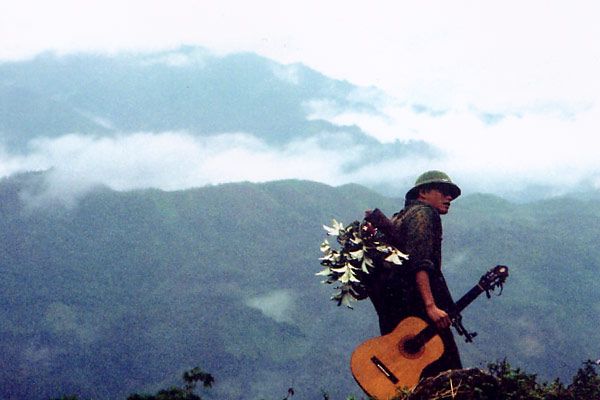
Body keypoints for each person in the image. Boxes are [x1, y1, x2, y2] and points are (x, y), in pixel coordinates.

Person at [363, 170, 463, 378]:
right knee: (447, 373)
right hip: (417, 313)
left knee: (408, 373)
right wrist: (431, 306)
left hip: (396, 315)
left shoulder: (400, 217)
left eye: (451, 194)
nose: (449, 198)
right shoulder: (424, 214)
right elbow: (420, 264)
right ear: (423, 192)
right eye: (444, 191)